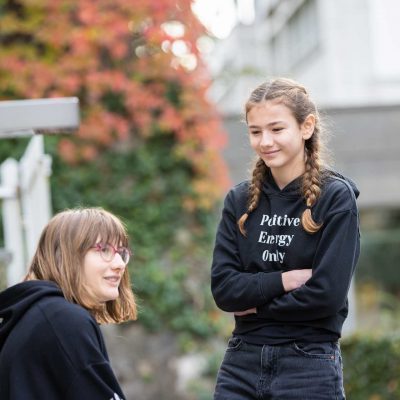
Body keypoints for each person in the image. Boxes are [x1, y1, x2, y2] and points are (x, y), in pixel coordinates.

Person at [211, 78, 360, 399]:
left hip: (309, 362)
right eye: (255, 131)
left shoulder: (335, 197)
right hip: (242, 360)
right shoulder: (238, 201)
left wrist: (254, 302)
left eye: (277, 129)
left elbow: (326, 296)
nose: (265, 141)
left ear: (306, 127)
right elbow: (224, 290)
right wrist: (286, 280)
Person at [0, 207, 137, 400]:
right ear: (66, 255)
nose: (120, 264)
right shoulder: (63, 320)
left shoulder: (39, 316)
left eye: (121, 252)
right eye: (104, 249)